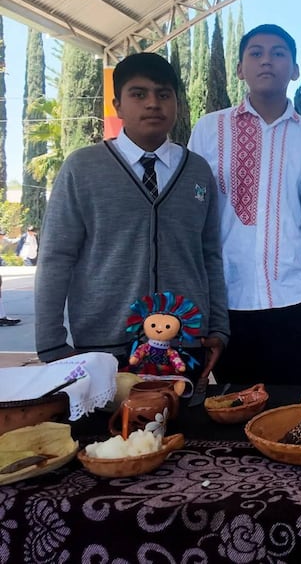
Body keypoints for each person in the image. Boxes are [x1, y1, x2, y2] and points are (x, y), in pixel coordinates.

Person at [35, 52, 229, 384]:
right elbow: (56, 257)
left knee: (184, 432)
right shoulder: (83, 169)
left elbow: (209, 253)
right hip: (103, 348)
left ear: (176, 103)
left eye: (163, 94)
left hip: (185, 343)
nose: (153, 104)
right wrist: (51, 343)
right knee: (106, 434)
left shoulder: (198, 171)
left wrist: (217, 327)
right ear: (118, 105)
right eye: (138, 94)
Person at [188, 24, 301, 385]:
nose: (267, 61)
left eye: (279, 53)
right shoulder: (209, 129)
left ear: (295, 70)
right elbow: (193, 211)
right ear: (240, 69)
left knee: (293, 410)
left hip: (294, 299)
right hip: (227, 302)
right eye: (256, 53)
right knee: (230, 413)